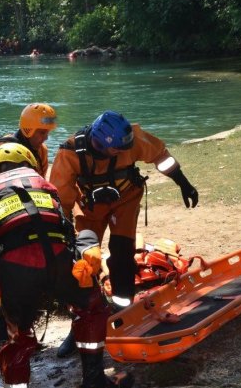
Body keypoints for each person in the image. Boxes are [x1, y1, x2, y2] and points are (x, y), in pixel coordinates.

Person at [0, 143, 131, 388]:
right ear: (31, 165)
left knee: (18, 332)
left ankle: (17, 385)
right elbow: (65, 223)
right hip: (58, 259)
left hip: (16, 269)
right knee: (92, 308)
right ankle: (94, 380)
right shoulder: (45, 186)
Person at [49, 110, 198, 356]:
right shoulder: (69, 153)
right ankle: (80, 324)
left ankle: (123, 312)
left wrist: (184, 183)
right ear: (100, 142)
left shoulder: (130, 139)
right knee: (85, 263)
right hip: (88, 209)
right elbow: (62, 197)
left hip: (125, 200)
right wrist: (62, 230)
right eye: (117, 149)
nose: (123, 151)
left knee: (121, 255)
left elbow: (161, 157)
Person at [0, 103, 57, 193]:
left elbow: (40, 185)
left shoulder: (42, 151)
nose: (46, 138)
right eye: (42, 132)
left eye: (48, 132)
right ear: (29, 130)